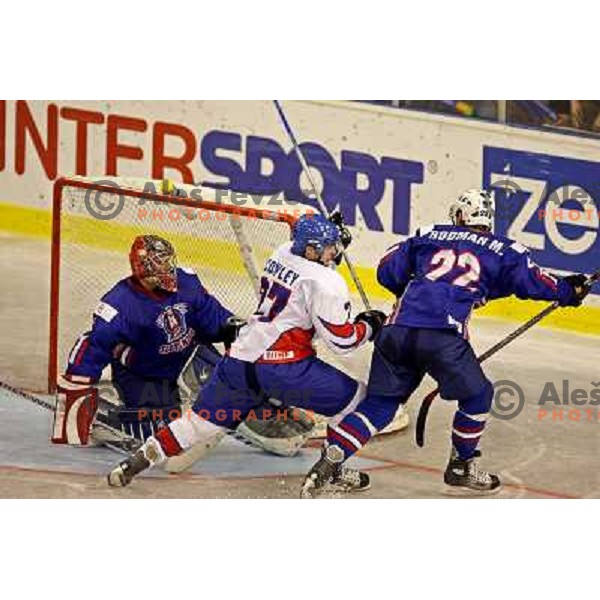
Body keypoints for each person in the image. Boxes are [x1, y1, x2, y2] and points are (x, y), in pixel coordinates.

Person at [301, 189, 591, 498]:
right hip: (443, 339)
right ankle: (461, 466)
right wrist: (568, 291)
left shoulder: (428, 233)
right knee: (479, 396)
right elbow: (531, 281)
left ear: (460, 215)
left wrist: (418, 291)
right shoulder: (506, 249)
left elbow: (388, 271)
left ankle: (329, 464)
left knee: (380, 406)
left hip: (396, 331)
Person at [106, 213, 391, 490]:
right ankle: (331, 469)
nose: (334, 253)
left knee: (198, 423)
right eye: (328, 249)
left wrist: (330, 239)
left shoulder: (282, 252)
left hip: (239, 360)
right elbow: (342, 343)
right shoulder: (327, 283)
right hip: (285, 369)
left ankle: (137, 461)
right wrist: (369, 325)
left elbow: (310, 271)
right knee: (358, 400)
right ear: (312, 250)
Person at [52, 235, 243, 446]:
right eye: (162, 262)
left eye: (169, 261)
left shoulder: (187, 281)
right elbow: (92, 345)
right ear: (144, 267)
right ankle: (109, 422)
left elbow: (210, 314)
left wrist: (232, 327)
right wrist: (74, 392)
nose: (170, 268)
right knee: (158, 433)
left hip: (188, 360)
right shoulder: (119, 305)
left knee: (234, 387)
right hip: (144, 374)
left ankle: (264, 418)